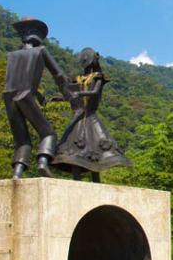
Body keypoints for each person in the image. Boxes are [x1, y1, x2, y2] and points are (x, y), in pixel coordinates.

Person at [3, 17, 70, 179]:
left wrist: (41, 98)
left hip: (8, 97)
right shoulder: (40, 51)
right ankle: (42, 163)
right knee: (48, 134)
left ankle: (17, 173)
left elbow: (15, 81)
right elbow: (59, 75)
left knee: (22, 140)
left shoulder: (13, 55)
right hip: (26, 95)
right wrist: (69, 94)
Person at [52, 47, 130, 181]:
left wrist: (79, 93)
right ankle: (77, 180)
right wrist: (60, 98)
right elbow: (71, 95)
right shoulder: (77, 79)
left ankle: (96, 182)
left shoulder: (98, 77)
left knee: (96, 151)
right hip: (78, 118)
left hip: (90, 117)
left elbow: (94, 92)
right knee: (74, 151)